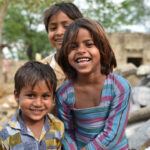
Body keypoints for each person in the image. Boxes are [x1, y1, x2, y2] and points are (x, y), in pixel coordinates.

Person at [56, 18, 131, 150]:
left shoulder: (119, 87)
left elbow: (113, 135)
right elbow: (66, 131)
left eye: (89, 44)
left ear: (103, 49)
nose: (81, 50)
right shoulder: (64, 94)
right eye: (73, 47)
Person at [0, 61, 64, 150]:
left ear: (53, 97)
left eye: (45, 96)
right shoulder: (4, 134)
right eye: (30, 95)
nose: (38, 103)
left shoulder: (58, 126)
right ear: (17, 96)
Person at [42, 2, 83, 89]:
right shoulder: (41, 69)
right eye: (53, 28)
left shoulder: (88, 63)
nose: (59, 32)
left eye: (66, 26)